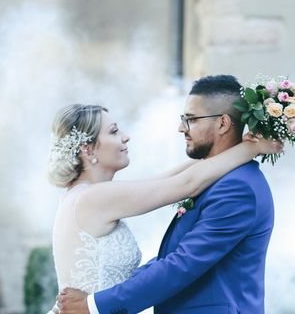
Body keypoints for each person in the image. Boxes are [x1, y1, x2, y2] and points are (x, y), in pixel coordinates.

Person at [56, 75, 278, 314]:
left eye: (190, 119)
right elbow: (182, 184)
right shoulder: (93, 196)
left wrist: (95, 304)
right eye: (113, 132)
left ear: (223, 123)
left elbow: (181, 264)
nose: (181, 127)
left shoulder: (237, 187)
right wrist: (249, 148)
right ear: (87, 148)